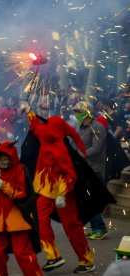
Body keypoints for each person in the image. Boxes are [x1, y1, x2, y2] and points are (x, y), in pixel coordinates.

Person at [20, 101, 95, 274]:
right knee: (38, 217)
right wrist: (28, 111)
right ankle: (53, 256)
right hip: (47, 189)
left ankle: (86, 260)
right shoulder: (45, 135)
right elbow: (36, 127)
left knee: (72, 227)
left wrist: (62, 194)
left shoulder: (60, 149)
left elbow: (70, 175)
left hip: (63, 192)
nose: (46, 131)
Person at [0, 141, 42, 276]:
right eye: (0, 157)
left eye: (6, 157)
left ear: (12, 157)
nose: (3, 160)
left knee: (23, 254)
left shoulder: (21, 169)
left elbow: (22, 193)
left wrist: (4, 185)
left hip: (17, 219)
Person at [73, 101, 108, 240]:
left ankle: (100, 229)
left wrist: (80, 154)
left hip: (95, 168)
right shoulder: (82, 128)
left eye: (78, 112)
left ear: (85, 112)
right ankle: (95, 228)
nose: (75, 115)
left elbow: (96, 148)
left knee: (92, 199)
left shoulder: (97, 127)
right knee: (88, 200)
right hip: (85, 168)